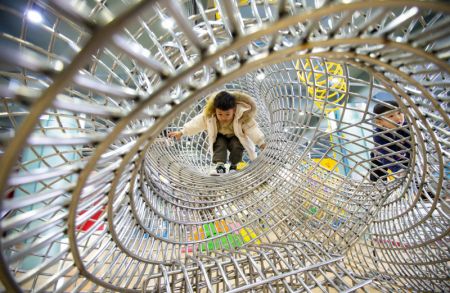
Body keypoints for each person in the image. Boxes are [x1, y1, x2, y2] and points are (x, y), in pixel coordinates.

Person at [169, 91, 266, 175]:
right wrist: (182, 132)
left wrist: (261, 143)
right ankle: (220, 165)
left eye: (227, 114)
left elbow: (252, 129)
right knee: (219, 144)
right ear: (215, 110)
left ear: (234, 110)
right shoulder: (209, 116)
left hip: (235, 136)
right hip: (220, 136)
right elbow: (196, 123)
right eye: (220, 114)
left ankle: (235, 164)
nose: (223, 117)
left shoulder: (241, 116)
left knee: (237, 145)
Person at [369, 100, 411, 182]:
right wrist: (397, 170)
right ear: (379, 122)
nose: (398, 118)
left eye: (399, 113)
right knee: (377, 176)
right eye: (391, 116)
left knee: (408, 167)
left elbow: (411, 147)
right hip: (381, 157)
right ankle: (377, 189)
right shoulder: (379, 134)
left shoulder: (407, 127)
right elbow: (386, 155)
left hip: (401, 154)